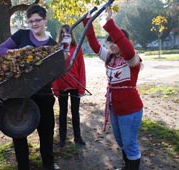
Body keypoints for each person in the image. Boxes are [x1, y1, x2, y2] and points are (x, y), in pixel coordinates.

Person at [0, 4, 60, 170]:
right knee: (19, 133)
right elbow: (0, 50)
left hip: (43, 95)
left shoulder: (52, 45)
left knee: (46, 132)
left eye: (38, 20)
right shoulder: (21, 35)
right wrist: (19, 52)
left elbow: (56, 71)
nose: (34, 24)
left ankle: (48, 164)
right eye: (31, 21)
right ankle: (23, 165)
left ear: (45, 20)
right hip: (20, 94)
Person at [83, 9, 143, 170]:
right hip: (114, 107)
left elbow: (127, 48)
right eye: (110, 42)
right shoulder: (109, 57)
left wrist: (110, 25)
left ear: (123, 42)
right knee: (121, 141)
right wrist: (87, 23)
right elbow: (94, 44)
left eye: (115, 42)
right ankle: (126, 166)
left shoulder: (132, 60)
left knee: (130, 143)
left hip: (130, 109)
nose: (112, 45)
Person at [52, 24, 86, 147]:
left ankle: (78, 137)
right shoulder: (57, 49)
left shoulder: (77, 48)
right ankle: (62, 138)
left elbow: (82, 69)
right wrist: (55, 88)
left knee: (75, 112)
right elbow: (54, 71)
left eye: (67, 33)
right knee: (62, 113)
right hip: (61, 86)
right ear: (60, 35)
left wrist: (81, 87)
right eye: (63, 33)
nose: (65, 35)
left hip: (75, 86)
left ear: (71, 35)